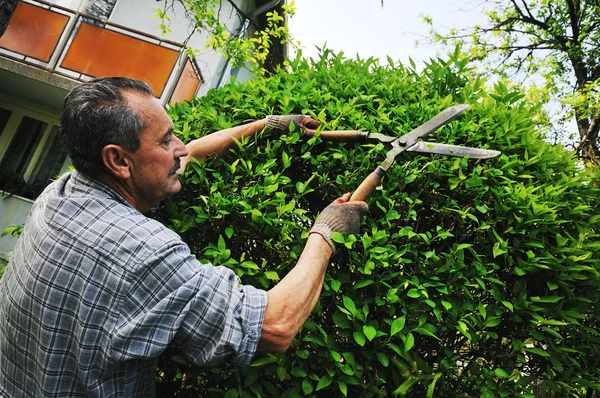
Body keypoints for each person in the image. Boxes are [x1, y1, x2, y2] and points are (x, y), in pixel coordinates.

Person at [0, 77, 368, 397]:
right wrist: (327, 231)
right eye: (165, 140)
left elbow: (189, 155)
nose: (180, 147)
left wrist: (264, 126)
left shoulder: (62, 192)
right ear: (119, 161)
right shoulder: (143, 251)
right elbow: (274, 326)